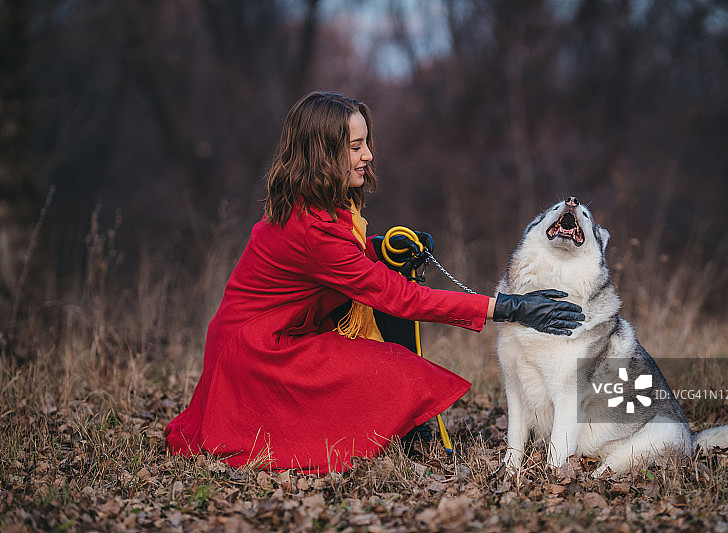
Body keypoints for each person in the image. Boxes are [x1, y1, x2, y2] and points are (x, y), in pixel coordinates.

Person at [164, 91, 584, 474]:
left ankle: (399, 433)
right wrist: (506, 307)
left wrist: (383, 246)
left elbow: (346, 260)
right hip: (257, 352)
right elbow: (395, 296)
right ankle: (401, 437)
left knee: (387, 370)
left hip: (278, 334)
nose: (367, 155)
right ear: (324, 155)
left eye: (366, 143)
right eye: (355, 147)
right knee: (399, 374)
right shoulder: (312, 228)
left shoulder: (318, 202)